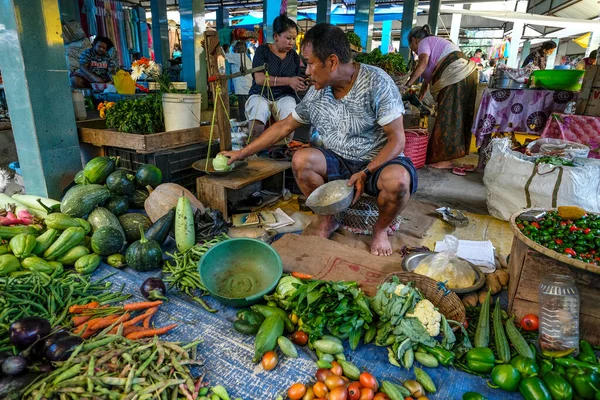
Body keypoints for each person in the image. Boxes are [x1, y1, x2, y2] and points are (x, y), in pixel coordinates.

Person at [221, 23, 417, 257]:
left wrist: (365, 172)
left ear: (332, 62)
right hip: (339, 160)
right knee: (302, 160)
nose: (306, 71)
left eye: (311, 63)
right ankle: (328, 218)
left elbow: (397, 141)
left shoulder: (377, 83)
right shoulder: (317, 92)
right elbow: (284, 126)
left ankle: (381, 229)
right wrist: (241, 153)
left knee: (398, 181)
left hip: (377, 162)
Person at [403, 25, 478, 169]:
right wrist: (419, 100)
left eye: (413, 48)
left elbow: (423, 64)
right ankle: (452, 157)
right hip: (467, 74)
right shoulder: (437, 46)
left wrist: (407, 85)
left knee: (447, 116)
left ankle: (445, 160)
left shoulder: (425, 42)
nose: (415, 52)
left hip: (455, 73)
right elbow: (426, 82)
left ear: (414, 40)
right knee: (459, 117)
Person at [245, 14, 307, 140]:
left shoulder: (294, 56)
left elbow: (297, 78)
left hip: (285, 96)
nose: (292, 42)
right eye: (288, 38)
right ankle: (252, 149)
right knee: (259, 111)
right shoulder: (262, 51)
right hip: (260, 94)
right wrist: (289, 81)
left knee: (289, 115)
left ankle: (282, 150)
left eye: (294, 38)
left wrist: (300, 84)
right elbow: (260, 79)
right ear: (276, 36)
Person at [225, 41, 253, 119]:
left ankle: (245, 128)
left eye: (234, 47)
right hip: (248, 88)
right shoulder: (246, 57)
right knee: (247, 111)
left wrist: (225, 47)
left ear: (236, 49)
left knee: (243, 112)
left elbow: (223, 56)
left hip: (243, 89)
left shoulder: (237, 56)